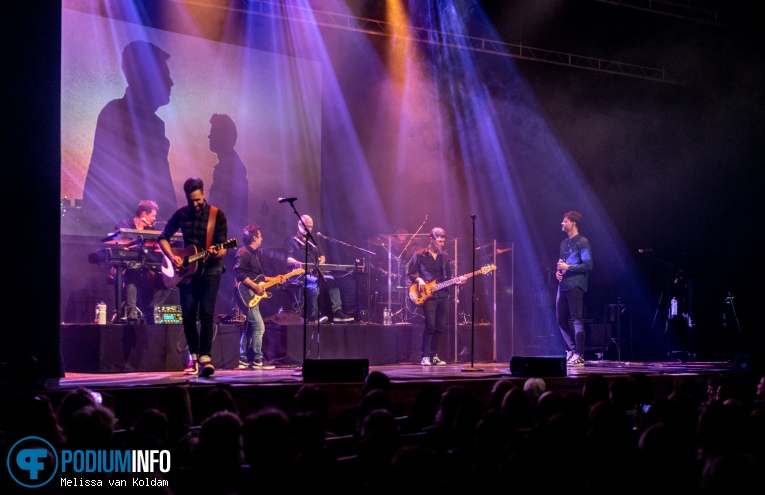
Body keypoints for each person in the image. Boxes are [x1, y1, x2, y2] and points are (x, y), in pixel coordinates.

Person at [82, 40, 176, 234]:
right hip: (122, 232)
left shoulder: (155, 124)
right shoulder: (116, 113)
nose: (171, 82)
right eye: (165, 75)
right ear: (148, 78)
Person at [158, 178, 229, 377]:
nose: (195, 204)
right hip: (187, 273)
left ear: (204, 194)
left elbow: (224, 247)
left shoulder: (217, 215)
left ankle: (206, 357)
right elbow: (163, 237)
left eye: (198, 200)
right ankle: (194, 356)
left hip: (211, 271)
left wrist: (216, 252)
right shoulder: (181, 214)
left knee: (206, 313)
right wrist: (172, 257)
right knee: (188, 315)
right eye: (192, 201)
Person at [208, 114, 249, 315]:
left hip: (226, 238)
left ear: (224, 136)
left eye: (213, 132)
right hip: (227, 237)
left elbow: (225, 207)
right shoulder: (228, 165)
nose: (208, 136)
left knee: (221, 286)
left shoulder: (230, 168)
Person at [407, 227, 465, 366]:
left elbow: (449, 277)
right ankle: (425, 355)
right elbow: (410, 273)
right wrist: (418, 279)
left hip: (443, 294)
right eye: (439, 241)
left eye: (443, 241)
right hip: (428, 295)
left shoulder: (444, 256)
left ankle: (434, 356)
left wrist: (457, 282)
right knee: (430, 325)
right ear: (431, 239)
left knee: (440, 327)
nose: (442, 244)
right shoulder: (419, 254)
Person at [284, 215, 354, 324]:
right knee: (314, 282)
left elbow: (322, 255)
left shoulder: (313, 239)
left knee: (332, 280)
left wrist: (321, 261)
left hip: (315, 271)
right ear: (299, 225)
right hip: (300, 273)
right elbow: (287, 258)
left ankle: (337, 312)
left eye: (311, 227)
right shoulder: (291, 240)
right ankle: (314, 315)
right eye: (306, 226)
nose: (309, 229)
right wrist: (297, 263)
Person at [233, 225, 283, 369]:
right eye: (260, 236)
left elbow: (258, 278)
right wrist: (255, 287)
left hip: (252, 294)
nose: (262, 238)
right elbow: (239, 274)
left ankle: (243, 360)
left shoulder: (253, 253)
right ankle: (257, 360)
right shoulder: (243, 252)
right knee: (259, 327)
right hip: (246, 294)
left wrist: (274, 279)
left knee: (250, 327)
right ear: (254, 237)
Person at [114, 199, 171, 321]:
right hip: (129, 267)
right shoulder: (123, 226)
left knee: (169, 279)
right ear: (144, 214)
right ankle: (131, 313)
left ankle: (153, 309)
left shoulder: (152, 229)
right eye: (153, 216)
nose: (154, 219)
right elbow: (119, 246)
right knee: (132, 273)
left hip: (147, 267)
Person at [555, 210, 593, 366]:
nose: (562, 223)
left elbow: (588, 265)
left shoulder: (582, 242)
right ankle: (572, 350)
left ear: (573, 223)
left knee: (576, 320)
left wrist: (568, 267)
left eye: (565, 221)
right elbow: (561, 264)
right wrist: (558, 272)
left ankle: (580, 355)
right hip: (562, 285)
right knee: (560, 320)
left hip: (576, 284)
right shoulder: (564, 243)